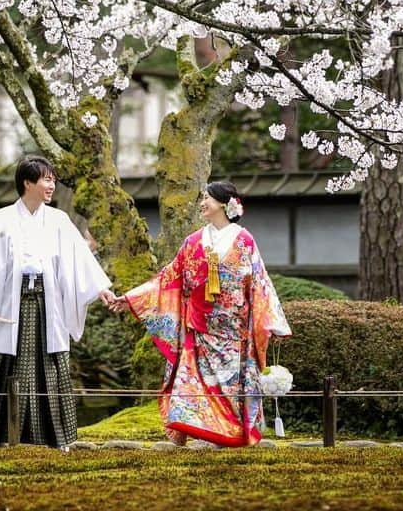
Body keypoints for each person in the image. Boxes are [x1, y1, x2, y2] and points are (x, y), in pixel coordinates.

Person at [107, 180, 291, 447]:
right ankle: (196, 428)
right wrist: (130, 299)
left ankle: (231, 434)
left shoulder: (244, 240)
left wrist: (273, 321)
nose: (203, 202)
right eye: (203, 197)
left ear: (225, 203)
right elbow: (167, 279)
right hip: (198, 327)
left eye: (208, 198)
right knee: (190, 380)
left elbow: (261, 282)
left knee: (231, 388)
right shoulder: (192, 241)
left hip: (234, 330)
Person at [0, 155, 114, 448]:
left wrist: (100, 290)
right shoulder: (1, 219)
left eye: (53, 180)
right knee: (12, 364)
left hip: (48, 304)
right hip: (12, 303)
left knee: (50, 362)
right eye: (46, 179)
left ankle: (56, 438)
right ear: (27, 182)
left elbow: (79, 261)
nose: (51, 185)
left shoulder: (58, 220)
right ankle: (4, 437)